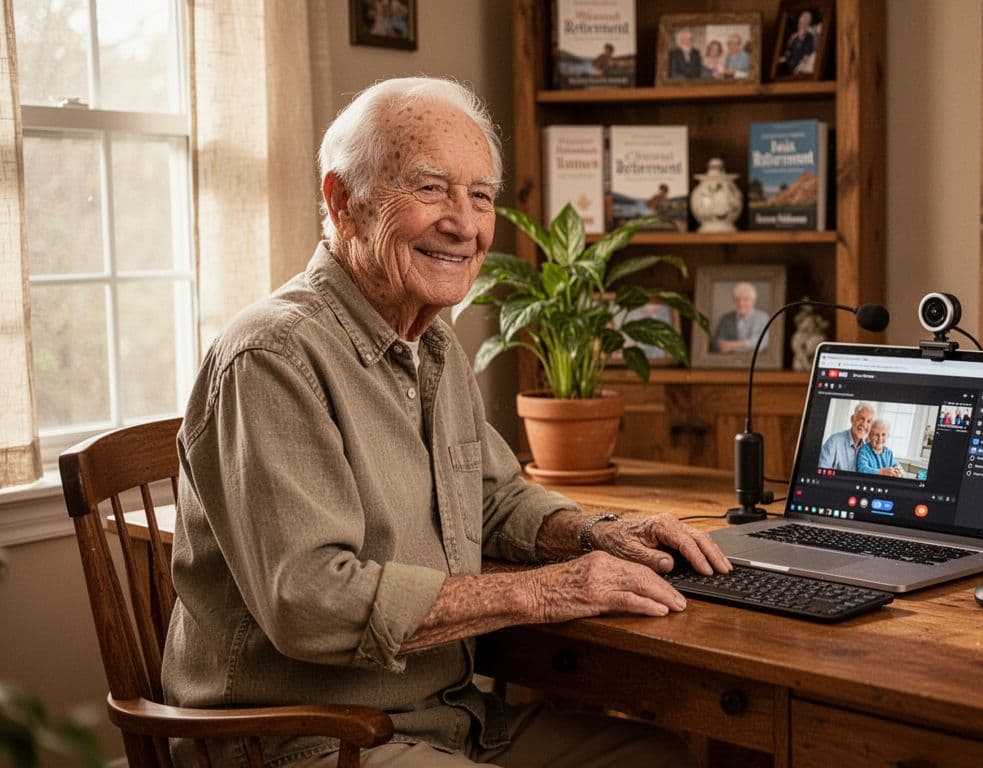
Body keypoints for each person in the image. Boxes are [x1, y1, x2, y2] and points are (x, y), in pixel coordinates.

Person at [161, 77, 728, 768]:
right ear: (344, 203)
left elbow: (494, 496)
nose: (464, 223)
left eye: (481, 196)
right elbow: (309, 601)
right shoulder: (271, 357)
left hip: (446, 716)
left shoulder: (431, 343)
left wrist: (598, 533)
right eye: (431, 189)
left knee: (660, 757)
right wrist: (546, 590)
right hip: (304, 738)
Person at [709, 281, 770, 353]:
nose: (741, 303)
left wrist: (733, 345)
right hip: (729, 360)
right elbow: (717, 343)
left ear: (754, 301)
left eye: (746, 299)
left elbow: (761, 343)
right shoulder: (725, 318)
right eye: (737, 299)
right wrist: (745, 346)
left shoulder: (763, 317)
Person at [818, 402, 876, 471]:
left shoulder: (866, 450)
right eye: (861, 418)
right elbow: (821, 472)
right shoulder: (834, 442)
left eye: (868, 421)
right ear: (852, 419)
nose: (864, 424)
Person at [776, 10, 818, 76]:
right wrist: (782, 59)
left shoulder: (809, 37)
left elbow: (806, 58)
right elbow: (788, 54)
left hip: (797, 69)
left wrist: (798, 67)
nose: (801, 25)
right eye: (800, 22)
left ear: (808, 24)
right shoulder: (794, 37)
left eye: (804, 23)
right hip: (788, 66)